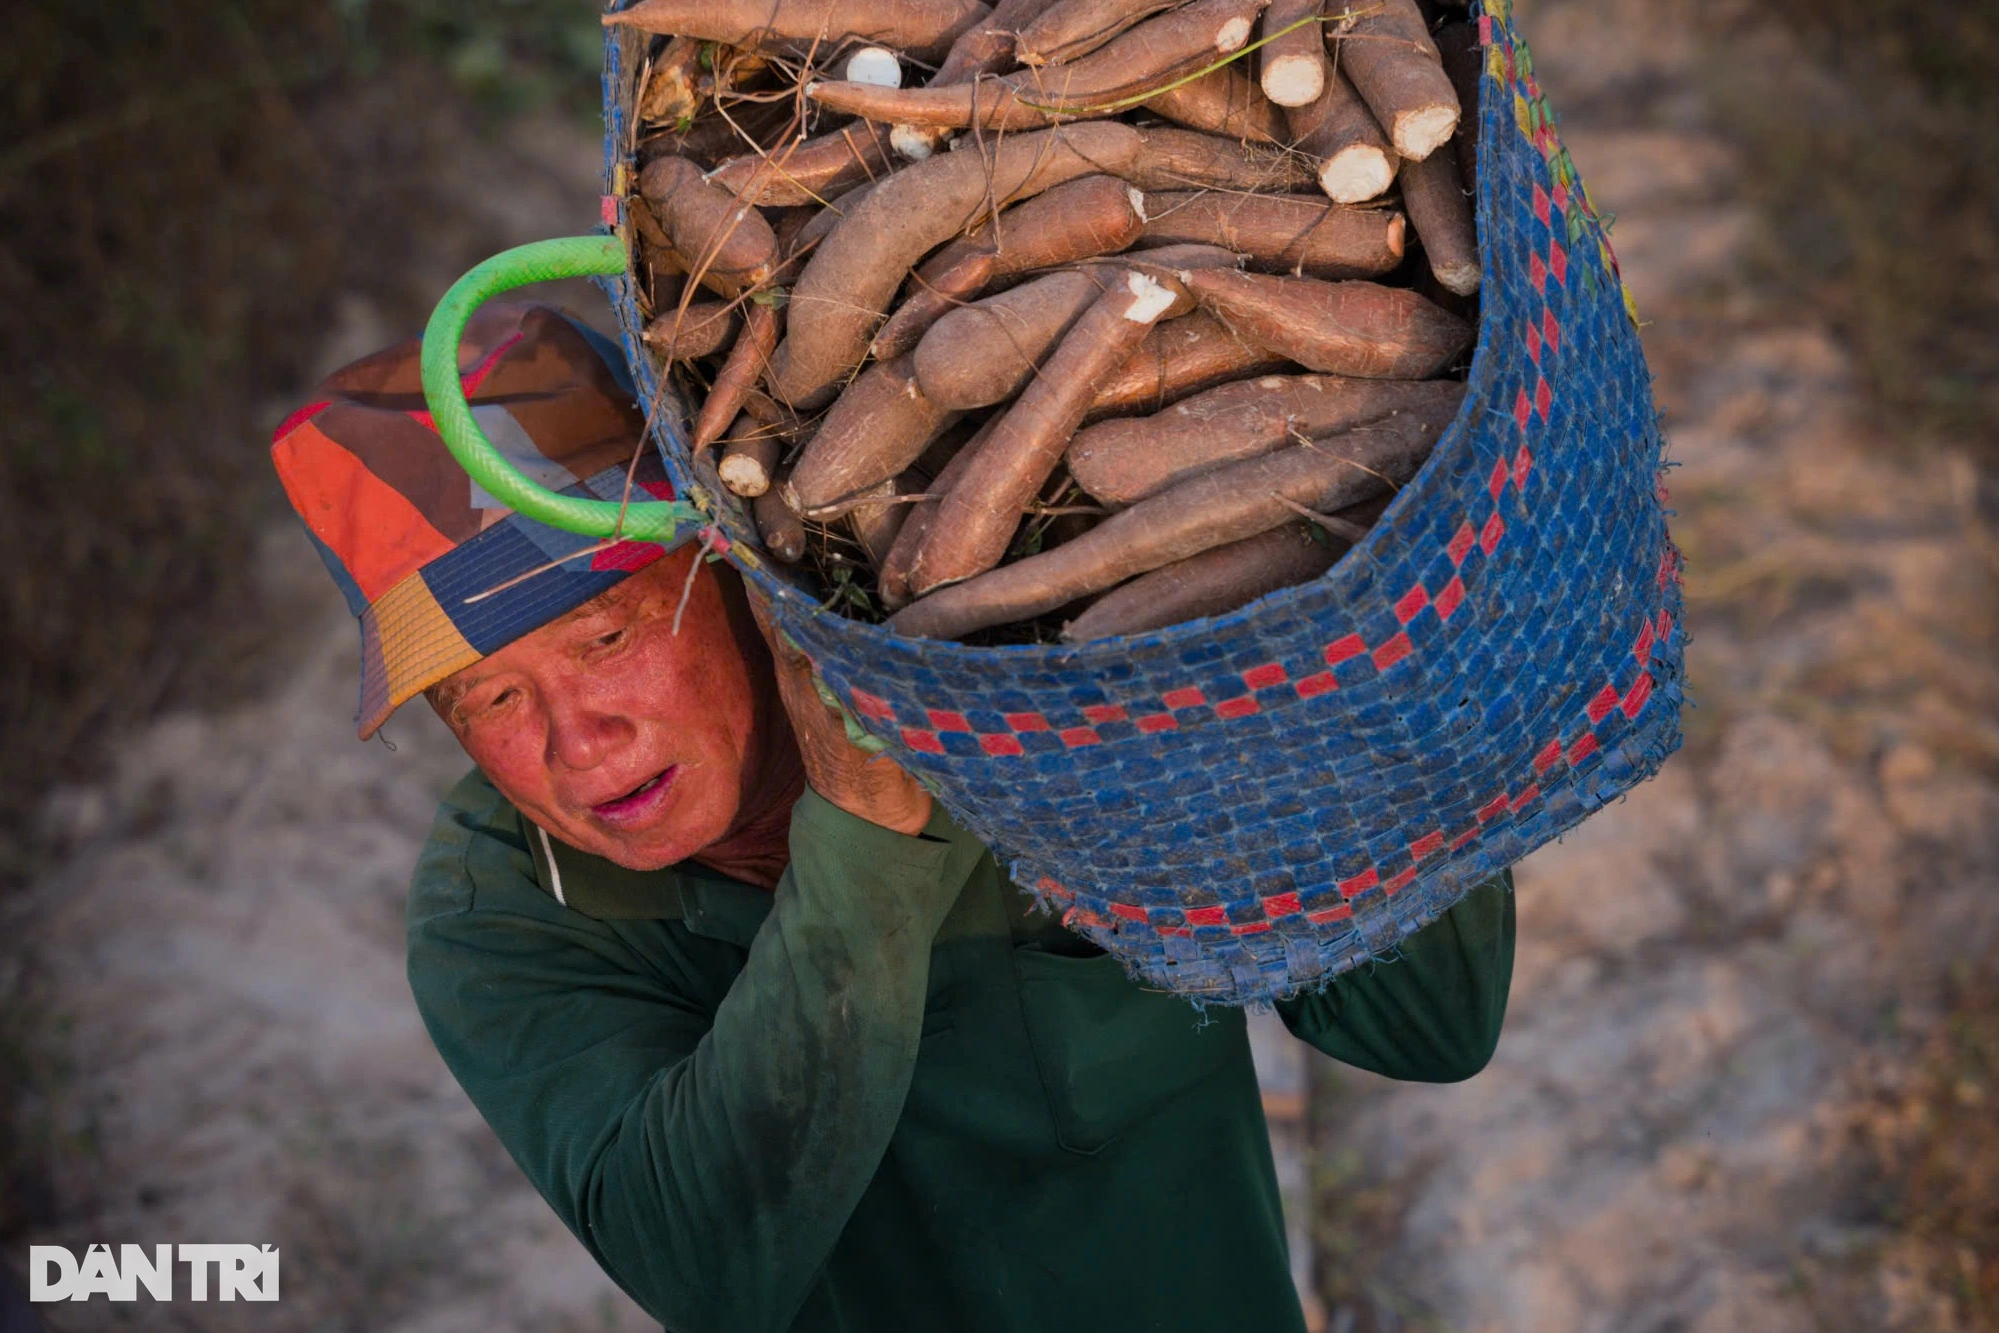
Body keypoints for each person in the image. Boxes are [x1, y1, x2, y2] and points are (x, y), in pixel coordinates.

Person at [273, 302, 1515, 1333]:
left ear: (733, 570)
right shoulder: (501, 905)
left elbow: (1427, 1023)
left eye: (604, 636)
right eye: (490, 695)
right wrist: (861, 833)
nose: (574, 739)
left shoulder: (1009, 682)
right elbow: (701, 1264)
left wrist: (1347, 656)